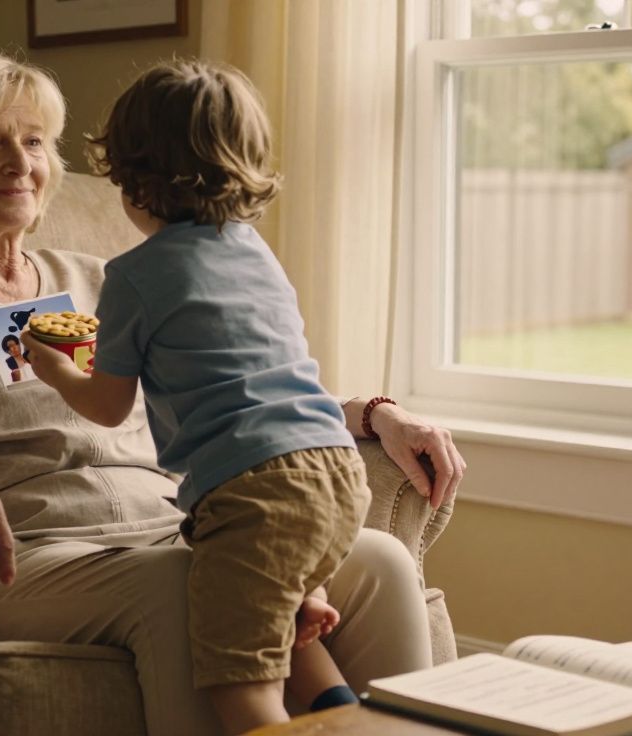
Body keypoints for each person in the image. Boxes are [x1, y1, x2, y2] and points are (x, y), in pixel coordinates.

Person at [0, 51, 464, 736]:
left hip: (179, 523)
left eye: (35, 142)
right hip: (33, 552)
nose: (21, 164)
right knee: (181, 586)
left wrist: (377, 415)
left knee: (377, 560)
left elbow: (233, 388)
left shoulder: (104, 278)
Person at [22, 58, 371, 733]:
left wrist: (56, 368)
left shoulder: (134, 278)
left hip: (255, 491)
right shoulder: (253, 251)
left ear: (134, 182)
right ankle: (345, 707)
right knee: (299, 644)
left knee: (241, 689)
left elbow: (107, 406)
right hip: (334, 469)